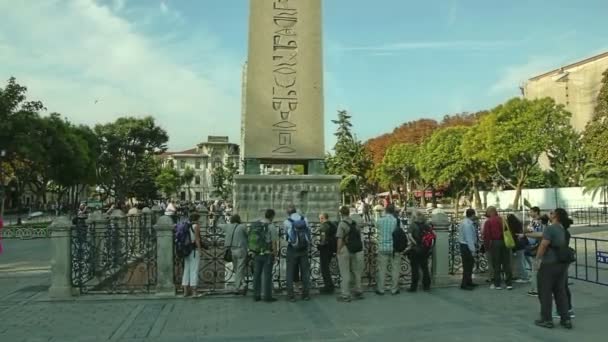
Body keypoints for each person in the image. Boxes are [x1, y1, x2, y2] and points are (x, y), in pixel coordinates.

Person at [533, 208, 573, 329]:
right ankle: (565, 319)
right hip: (562, 264)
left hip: (549, 263)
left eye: (551, 213)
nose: (549, 215)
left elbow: (544, 244)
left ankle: (546, 319)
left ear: (555, 215)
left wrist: (537, 260)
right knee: (560, 291)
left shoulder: (550, 228)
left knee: (545, 292)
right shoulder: (563, 230)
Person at [284, 204, 311, 302]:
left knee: (290, 272)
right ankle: (306, 294)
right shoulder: (304, 219)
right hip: (304, 248)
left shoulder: (287, 222)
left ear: (288, 213)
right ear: (295, 211)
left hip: (292, 249)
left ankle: (291, 295)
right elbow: (308, 232)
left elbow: (285, 236)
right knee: (305, 272)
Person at [336, 206, 364, 302]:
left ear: (341, 213)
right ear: (349, 213)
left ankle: (345, 294)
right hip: (354, 249)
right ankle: (358, 290)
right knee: (356, 271)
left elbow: (340, 238)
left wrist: (338, 250)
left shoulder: (342, 224)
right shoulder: (354, 223)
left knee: (345, 272)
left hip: (345, 249)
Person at [251, 209, 279, 303]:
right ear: (272, 216)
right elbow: (274, 242)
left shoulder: (257, 224)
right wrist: (275, 254)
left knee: (256, 274)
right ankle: (267, 296)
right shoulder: (271, 227)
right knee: (267, 275)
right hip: (267, 254)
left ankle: (256, 295)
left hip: (257, 252)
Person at [482, 206, 512, 290]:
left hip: (495, 243)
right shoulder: (503, 220)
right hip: (505, 242)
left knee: (496, 264)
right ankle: (509, 284)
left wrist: (486, 247)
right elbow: (508, 231)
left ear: (490, 212)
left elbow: (486, 235)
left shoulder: (488, 222)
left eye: (487, 212)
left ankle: (497, 284)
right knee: (506, 263)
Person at [375, 204, 402, 295]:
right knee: (395, 269)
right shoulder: (396, 221)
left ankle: (381, 289)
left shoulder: (380, 220)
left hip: (382, 247)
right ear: (393, 211)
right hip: (394, 248)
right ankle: (394, 289)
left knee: (382, 269)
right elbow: (400, 232)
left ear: (385, 210)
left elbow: (377, 228)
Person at [407, 210, 432, 292]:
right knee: (425, 268)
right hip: (425, 249)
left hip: (415, 249)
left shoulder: (413, 225)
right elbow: (431, 235)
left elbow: (410, 236)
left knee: (415, 268)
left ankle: (413, 287)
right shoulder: (426, 225)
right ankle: (426, 285)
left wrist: (415, 243)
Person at [223, 214, 248, 295]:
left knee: (237, 268)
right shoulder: (242, 227)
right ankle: (238, 287)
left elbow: (219, 225)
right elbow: (248, 235)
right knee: (240, 268)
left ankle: (243, 284)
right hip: (241, 249)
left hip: (232, 250)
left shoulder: (228, 226)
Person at [181, 212, 202, 298]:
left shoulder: (186, 226)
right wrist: (200, 250)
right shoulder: (195, 226)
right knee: (194, 270)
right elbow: (197, 239)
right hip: (193, 250)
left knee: (186, 270)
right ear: (197, 219)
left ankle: (185, 291)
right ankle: (194, 292)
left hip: (186, 250)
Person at [524, 207, 544, 296]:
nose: (530, 213)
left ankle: (536, 289)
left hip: (535, 246)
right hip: (538, 246)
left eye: (531, 212)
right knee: (536, 268)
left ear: (536, 212)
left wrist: (527, 236)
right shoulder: (539, 221)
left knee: (535, 269)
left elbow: (534, 235)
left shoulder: (536, 222)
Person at [459, 209, 478, 290]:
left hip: (464, 245)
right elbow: (469, 238)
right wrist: (473, 250)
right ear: (472, 215)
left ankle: (469, 281)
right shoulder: (468, 224)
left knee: (469, 265)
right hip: (466, 246)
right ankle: (465, 284)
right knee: (468, 265)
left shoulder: (465, 222)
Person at [318, 212, 336, 294]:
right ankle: (330, 285)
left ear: (323, 218)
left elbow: (323, 238)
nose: (320, 220)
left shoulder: (324, 226)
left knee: (324, 268)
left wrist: (320, 246)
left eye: (320, 218)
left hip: (325, 249)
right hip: (331, 248)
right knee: (327, 267)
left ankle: (328, 287)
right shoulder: (333, 225)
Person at [507, 214, 528, 283]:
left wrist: (513, 249)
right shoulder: (519, 224)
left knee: (519, 262)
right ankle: (523, 275)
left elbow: (513, 238)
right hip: (521, 245)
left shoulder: (511, 228)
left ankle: (524, 277)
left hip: (517, 245)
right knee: (521, 261)